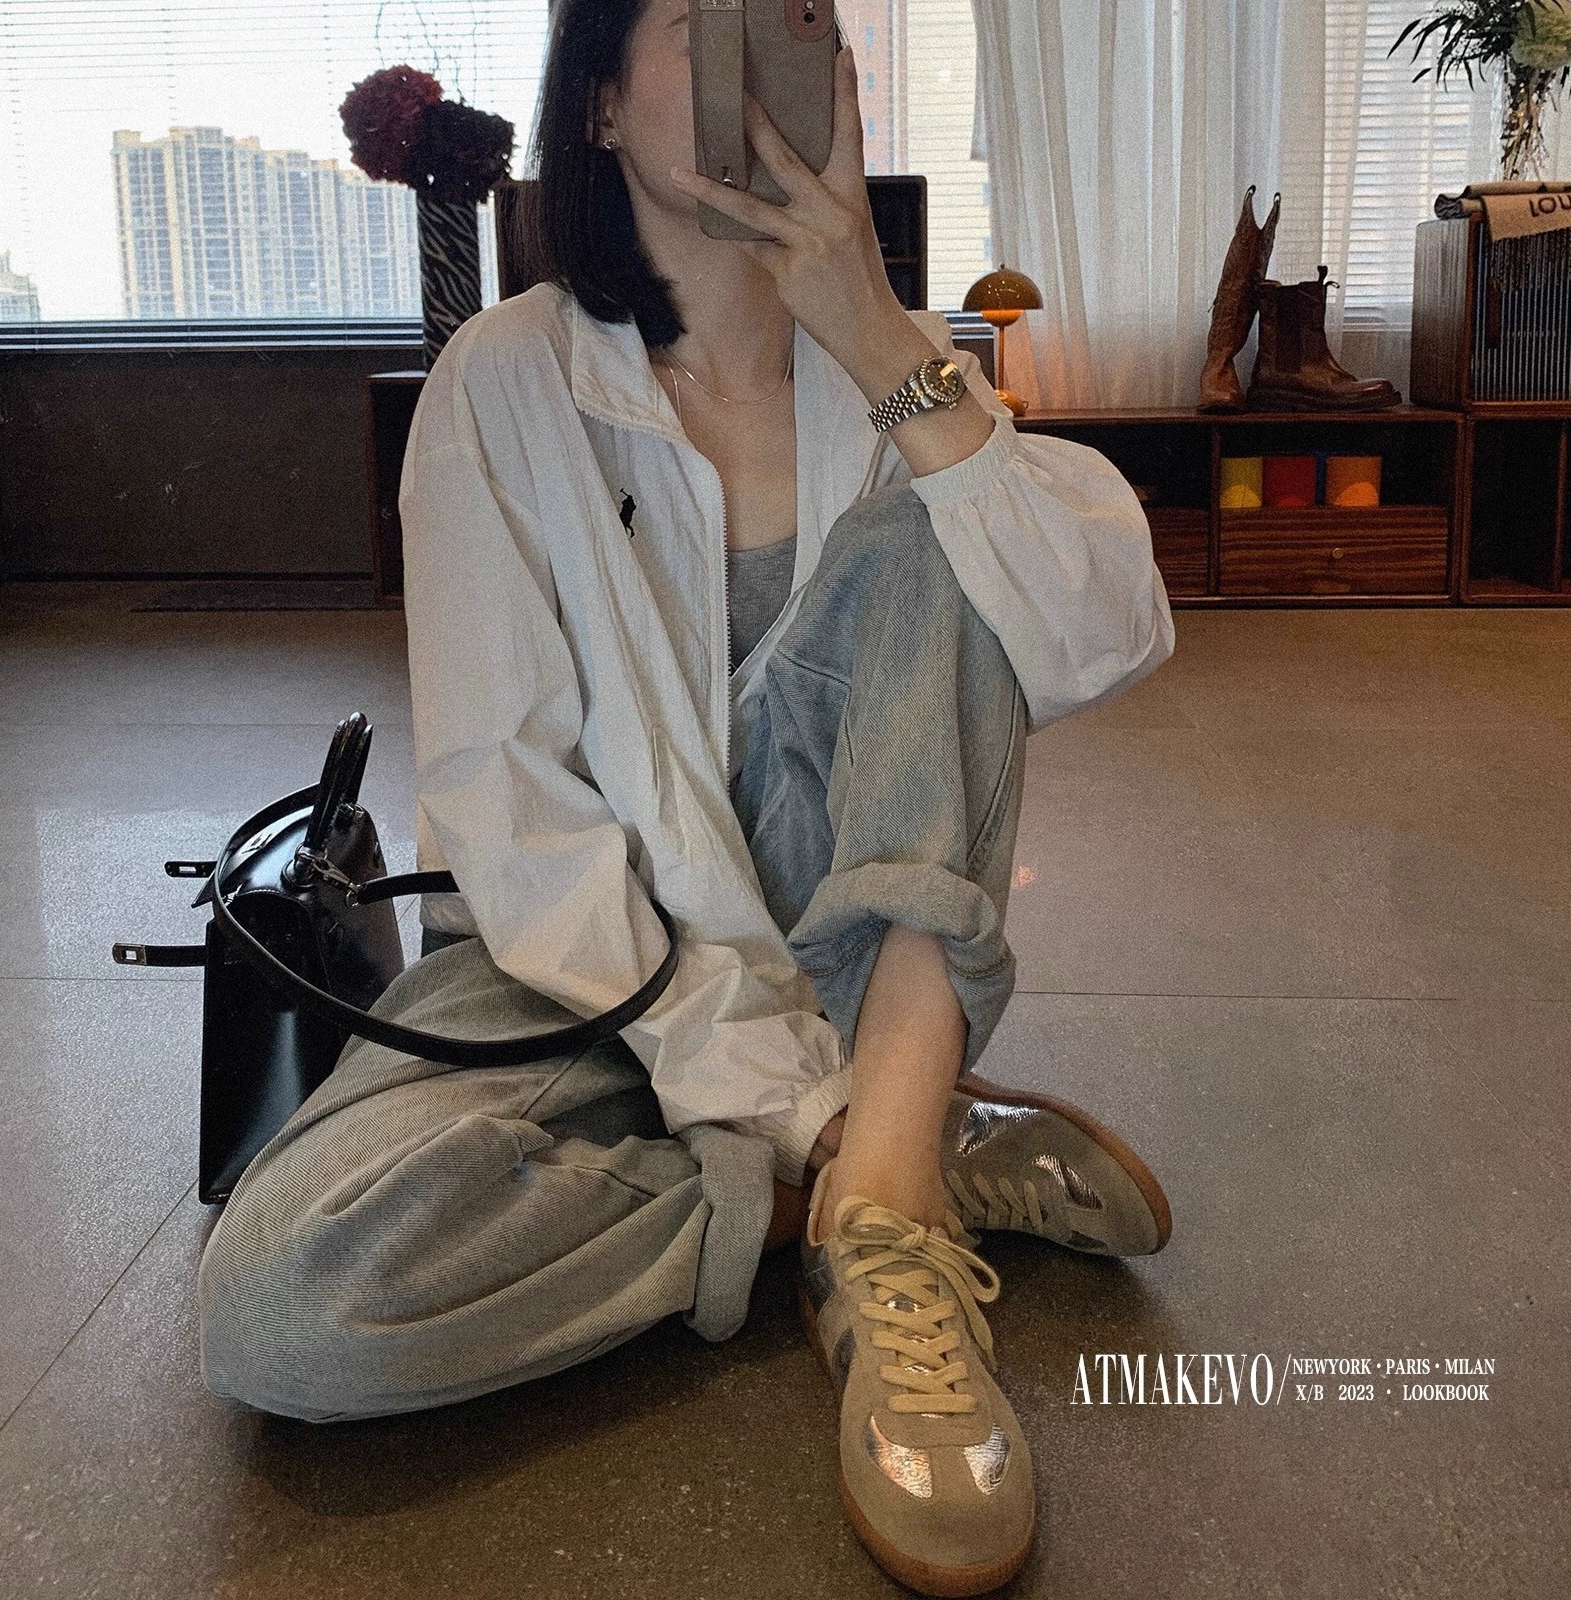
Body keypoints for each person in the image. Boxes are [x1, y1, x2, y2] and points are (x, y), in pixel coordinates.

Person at [197, 2, 1176, 1594]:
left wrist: (876, 333)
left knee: (954, 527)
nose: (767, 54)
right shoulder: (506, 382)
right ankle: (878, 1167)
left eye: (804, 20)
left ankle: (881, 1214)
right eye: (704, 22)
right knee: (285, 1300)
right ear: (595, 106)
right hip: (585, 974)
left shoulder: (907, 370)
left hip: (853, 950)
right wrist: (801, 1101)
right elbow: (511, 812)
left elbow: (1099, 636)